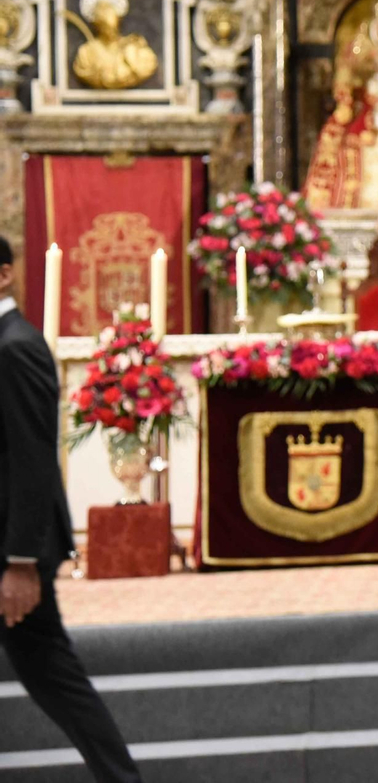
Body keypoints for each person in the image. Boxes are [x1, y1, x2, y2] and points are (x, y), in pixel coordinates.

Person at [0, 235, 143, 783]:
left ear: (5, 274)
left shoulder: (15, 346)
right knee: (51, 675)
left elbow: (34, 459)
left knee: (53, 675)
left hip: (13, 553)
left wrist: (20, 561)